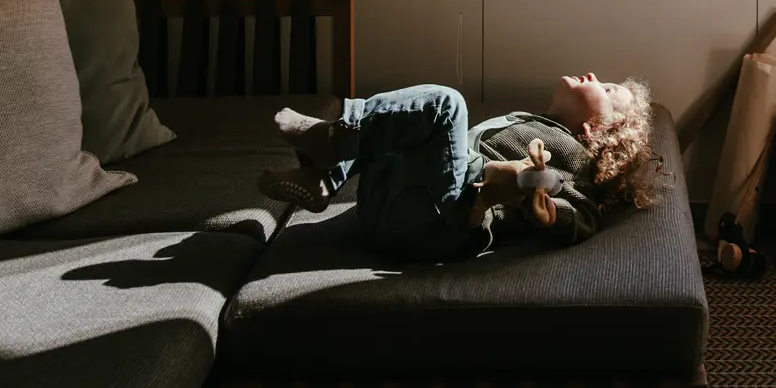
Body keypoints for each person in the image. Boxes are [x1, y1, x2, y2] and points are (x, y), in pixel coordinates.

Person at [256, 73, 659, 262]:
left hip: (444, 221)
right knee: (400, 127)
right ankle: (326, 174)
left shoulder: (575, 160)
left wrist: (546, 209)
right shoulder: (532, 121)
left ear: (597, 131)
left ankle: (332, 146)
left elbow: (579, 214)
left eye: (606, 89)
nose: (594, 76)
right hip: (391, 205)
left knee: (448, 104)